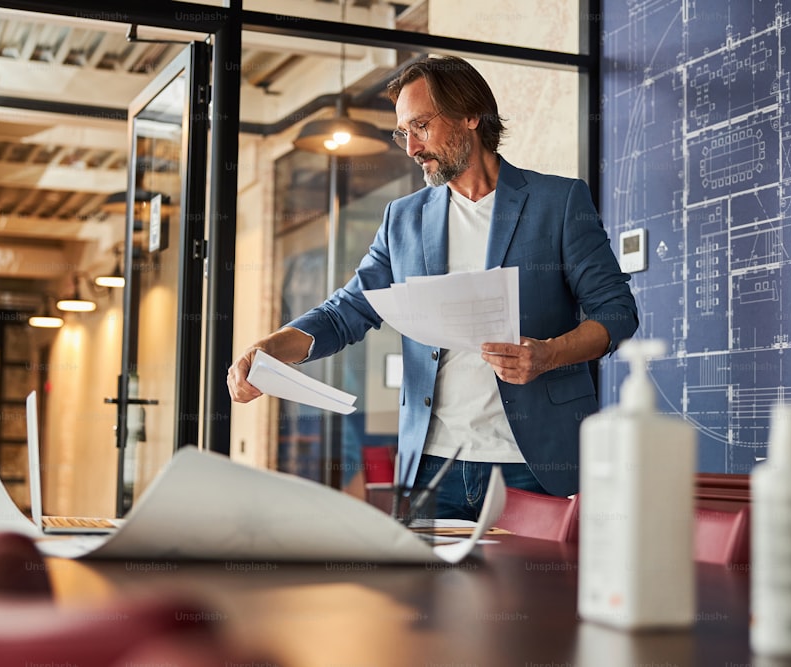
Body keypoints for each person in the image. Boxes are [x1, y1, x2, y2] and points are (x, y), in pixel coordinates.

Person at [228, 55, 638, 520]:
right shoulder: (403, 218)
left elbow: (617, 313)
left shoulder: (558, 202)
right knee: (431, 594)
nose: (411, 148)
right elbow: (348, 310)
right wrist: (270, 348)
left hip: (535, 464)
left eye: (421, 126)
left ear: (471, 115)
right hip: (431, 465)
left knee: (540, 592)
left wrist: (547, 354)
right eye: (403, 132)